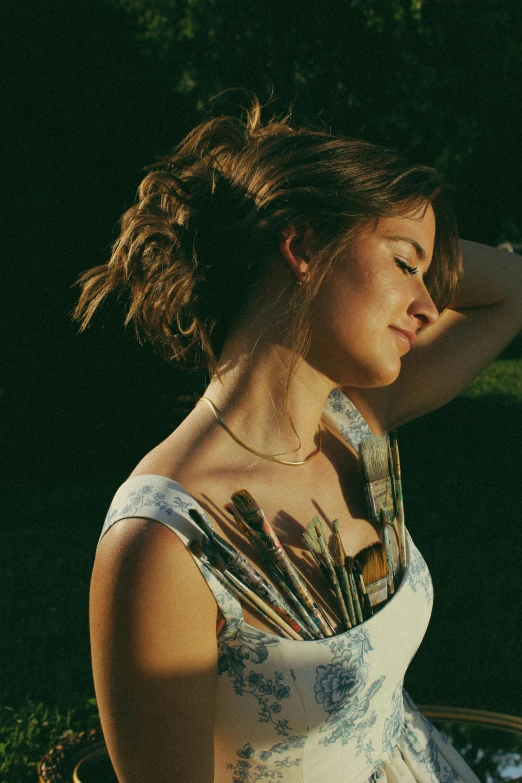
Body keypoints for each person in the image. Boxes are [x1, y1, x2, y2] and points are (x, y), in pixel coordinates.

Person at [73, 91, 522, 783]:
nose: (430, 302)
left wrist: (408, 232)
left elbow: (515, 287)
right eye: (407, 265)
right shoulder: (163, 545)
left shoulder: (355, 424)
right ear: (304, 245)